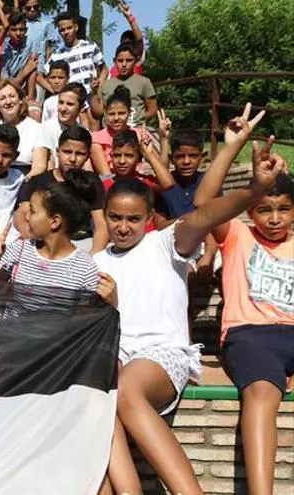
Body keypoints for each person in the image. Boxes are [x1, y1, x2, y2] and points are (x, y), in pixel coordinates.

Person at [97, 136, 286, 494]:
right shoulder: (96, 263)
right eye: (115, 217)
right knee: (97, 401)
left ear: (149, 218)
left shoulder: (165, 243)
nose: (123, 226)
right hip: (115, 356)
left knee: (124, 390)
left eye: (134, 218)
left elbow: (204, 215)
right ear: (104, 216)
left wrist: (254, 191)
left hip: (161, 355)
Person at [192, 107, 294, 495]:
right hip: (250, 335)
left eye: (284, 209)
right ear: (250, 211)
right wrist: (232, 147)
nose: (274, 218)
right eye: (264, 209)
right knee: (262, 393)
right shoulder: (237, 234)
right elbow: (204, 201)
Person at [0, 170, 100, 292]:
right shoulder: (19, 249)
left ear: (55, 222)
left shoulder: (85, 268)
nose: (27, 217)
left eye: (32, 211)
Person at [16, 126, 108, 254]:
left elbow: (101, 224)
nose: (72, 159)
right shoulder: (39, 181)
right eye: (67, 152)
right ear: (57, 152)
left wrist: (92, 257)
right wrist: (34, 243)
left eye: (80, 154)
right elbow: (21, 214)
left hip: (81, 243)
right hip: (42, 242)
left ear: (87, 156)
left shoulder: (91, 182)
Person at [32, 83, 100, 173]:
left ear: (82, 107)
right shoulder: (45, 129)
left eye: (70, 104)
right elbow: (40, 167)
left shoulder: (84, 133)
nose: (63, 109)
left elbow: (87, 168)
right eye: (61, 103)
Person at [0, 79, 43, 177]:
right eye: (2, 98)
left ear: (20, 100)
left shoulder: (37, 129)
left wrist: (20, 182)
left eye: (12, 96)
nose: (8, 101)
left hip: (27, 179)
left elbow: (39, 167)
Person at [38, 11, 106, 96]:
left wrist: (99, 84)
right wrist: (54, 90)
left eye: (69, 28)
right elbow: (39, 77)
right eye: (62, 30)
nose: (66, 32)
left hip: (90, 96)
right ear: (59, 32)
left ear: (76, 27)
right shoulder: (57, 55)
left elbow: (104, 69)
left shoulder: (90, 46)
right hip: (70, 99)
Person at [90, 86, 151, 174]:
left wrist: (163, 138)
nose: (116, 118)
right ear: (105, 114)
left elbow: (161, 167)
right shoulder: (96, 139)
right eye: (111, 114)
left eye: (121, 113)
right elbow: (106, 176)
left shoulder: (140, 134)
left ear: (129, 113)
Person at [94, 44, 157, 127]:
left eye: (129, 60)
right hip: (109, 131)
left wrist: (136, 122)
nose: (124, 64)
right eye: (120, 60)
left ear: (136, 61)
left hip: (135, 129)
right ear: (114, 61)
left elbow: (152, 111)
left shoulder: (144, 82)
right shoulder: (106, 85)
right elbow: (98, 112)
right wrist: (94, 93)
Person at [0, 12, 41, 99]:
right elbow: (6, 84)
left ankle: (31, 99)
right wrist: (24, 72)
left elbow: (32, 68)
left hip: (27, 90)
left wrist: (30, 98)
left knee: (33, 67)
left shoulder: (31, 43)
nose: (18, 33)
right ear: (8, 31)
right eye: (14, 30)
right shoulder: (3, 50)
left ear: (26, 30)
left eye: (21, 30)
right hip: (9, 92)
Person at [111, 0, 145, 78]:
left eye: (130, 44)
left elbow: (139, 40)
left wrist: (130, 17)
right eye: (124, 44)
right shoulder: (115, 68)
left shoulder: (136, 61)